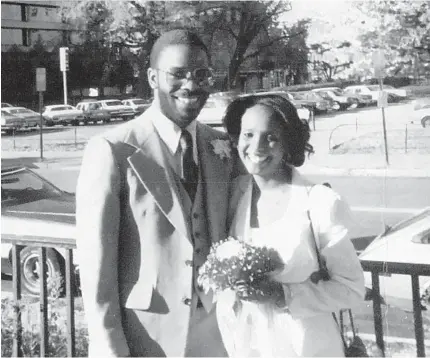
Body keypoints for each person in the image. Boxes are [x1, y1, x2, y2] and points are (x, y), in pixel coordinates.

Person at [76, 29, 236, 357]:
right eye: (177, 74)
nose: (190, 85)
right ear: (152, 77)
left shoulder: (221, 146)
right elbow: (96, 264)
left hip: (219, 332)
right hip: (147, 335)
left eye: (201, 74)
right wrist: (108, 344)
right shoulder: (114, 149)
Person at [217, 94, 365, 357]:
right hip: (249, 345)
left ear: (287, 143)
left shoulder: (319, 202)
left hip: (307, 346)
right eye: (248, 134)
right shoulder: (236, 195)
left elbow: (352, 289)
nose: (257, 146)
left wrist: (282, 295)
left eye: (270, 136)